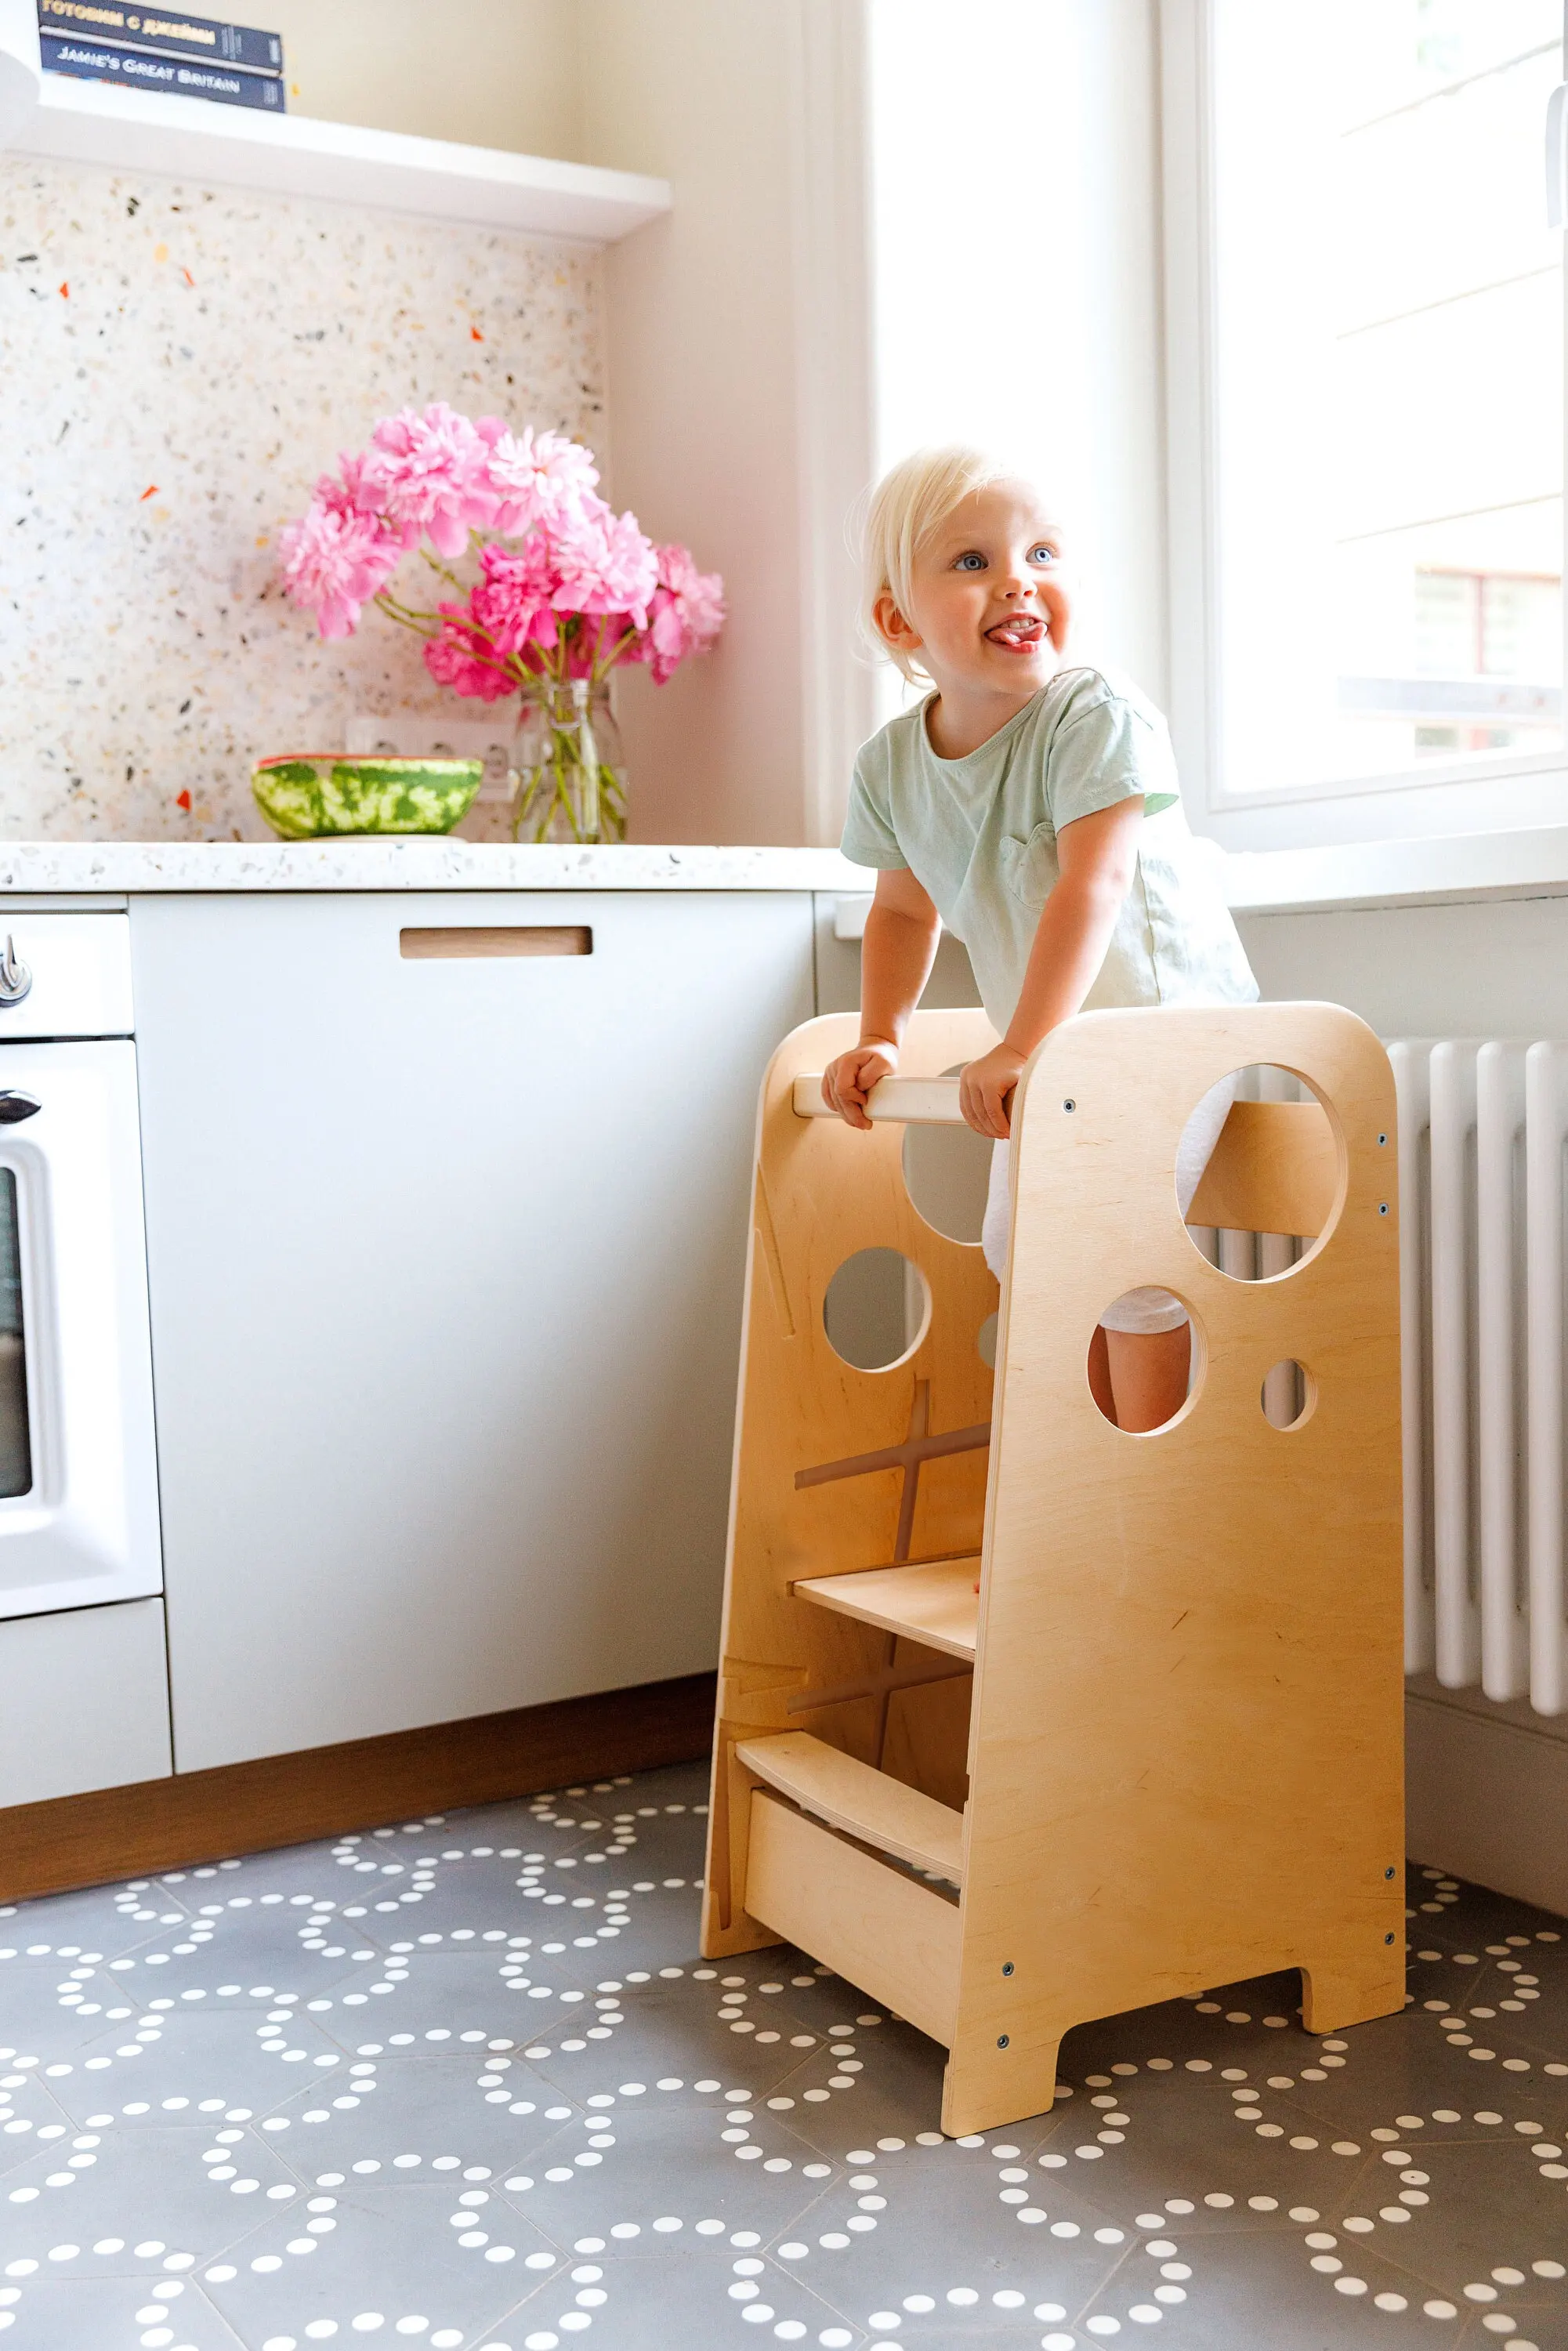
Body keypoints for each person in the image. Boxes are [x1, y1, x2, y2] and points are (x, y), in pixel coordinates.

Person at [820, 446, 1258, 1433]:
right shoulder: (892, 763)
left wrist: (1021, 1044)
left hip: (1163, 1033)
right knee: (1026, 1253)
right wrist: (881, 1033)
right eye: (973, 563)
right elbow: (901, 912)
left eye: (1044, 554)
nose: (1020, 579)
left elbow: (1092, 882)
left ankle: (1144, 1489)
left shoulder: (1093, 717)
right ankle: (1089, 1483)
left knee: (1121, 1255)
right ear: (899, 619)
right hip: (1061, 1053)